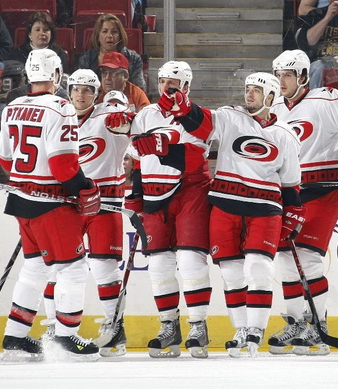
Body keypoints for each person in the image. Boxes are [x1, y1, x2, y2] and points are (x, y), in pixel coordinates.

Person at [157, 73, 304, 358]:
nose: (249, 94)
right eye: (247, 89)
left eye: (256, 91)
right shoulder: (230, 117)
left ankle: (255, 331)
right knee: (232, 273)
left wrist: (295, 210)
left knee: (259, 268)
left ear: (271, 97)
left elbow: (290, 183)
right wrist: (183, 107)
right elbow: (200, 122)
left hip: (266, 208)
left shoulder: (285, 135)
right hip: (225, 205)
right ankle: (240, 331)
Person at [268, 49, 338, 355]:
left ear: (303, 76)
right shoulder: (273, 105)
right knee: (284, 260)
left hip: (324, 188)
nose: (281, 81)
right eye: (278, 75)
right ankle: (297, 323)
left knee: (307, 258)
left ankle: (319, 328)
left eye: (287, 75)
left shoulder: (327, 100)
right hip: (287, 193)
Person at [0, 48, 100, 360]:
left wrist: (28, 176)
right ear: (56, 75)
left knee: (36, 266)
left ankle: (15, 335)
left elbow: (3, 156)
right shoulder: (61, 108)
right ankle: (67, 335)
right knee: (73, 268)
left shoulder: (11, 106)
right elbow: (65, 165)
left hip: (21, 201)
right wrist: (83, 188)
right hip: (51, 204)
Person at [105, 60, 212, 358]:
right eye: (164, 82)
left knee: (191, 259)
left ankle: (198, 325)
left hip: (190, 191)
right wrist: (136, 196)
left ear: (187, 86)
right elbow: (139, 159)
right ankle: (169, 326)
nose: (168, 88)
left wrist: (161, 144)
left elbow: (191, 157)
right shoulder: (146, 115)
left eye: (174, 84)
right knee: (159, 264)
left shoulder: (197, 117)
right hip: (153, 196)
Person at [42, 69, 132, 358]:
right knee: (60, 268)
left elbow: (125, 123)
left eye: (87, 90)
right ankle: (56, 328)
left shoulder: (108, 115)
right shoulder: (59, 117)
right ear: (68, 91)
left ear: (97, 94)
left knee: (105, 267)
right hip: (69, 204)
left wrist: (125, 120)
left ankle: (114, 329)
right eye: (76, 89)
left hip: (106, 201)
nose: (81, 95)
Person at [77, 13, 146, 91]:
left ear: (120, 35)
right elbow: (82, 89)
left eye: (114, 32)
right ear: (98, 36)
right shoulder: (86, 59)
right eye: (105, 31)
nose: (110, 36)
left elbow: (139, 88)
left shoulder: (133, 58)